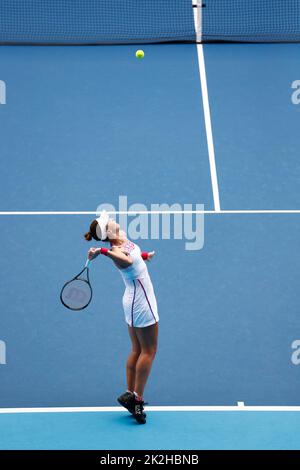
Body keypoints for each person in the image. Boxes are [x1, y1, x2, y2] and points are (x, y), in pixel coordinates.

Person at [85, 211, 159, 424]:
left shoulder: (122, 238)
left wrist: (144, 256)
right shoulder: (116, 251)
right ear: (108, 231)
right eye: (109, 221)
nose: (114, 220)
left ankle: (130, 393)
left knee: (136, 349)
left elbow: (132, 255)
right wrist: (103, 251)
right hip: (142, 303)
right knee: (149, 351)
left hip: (132, 301)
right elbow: (125, 260)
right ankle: (137, 399)